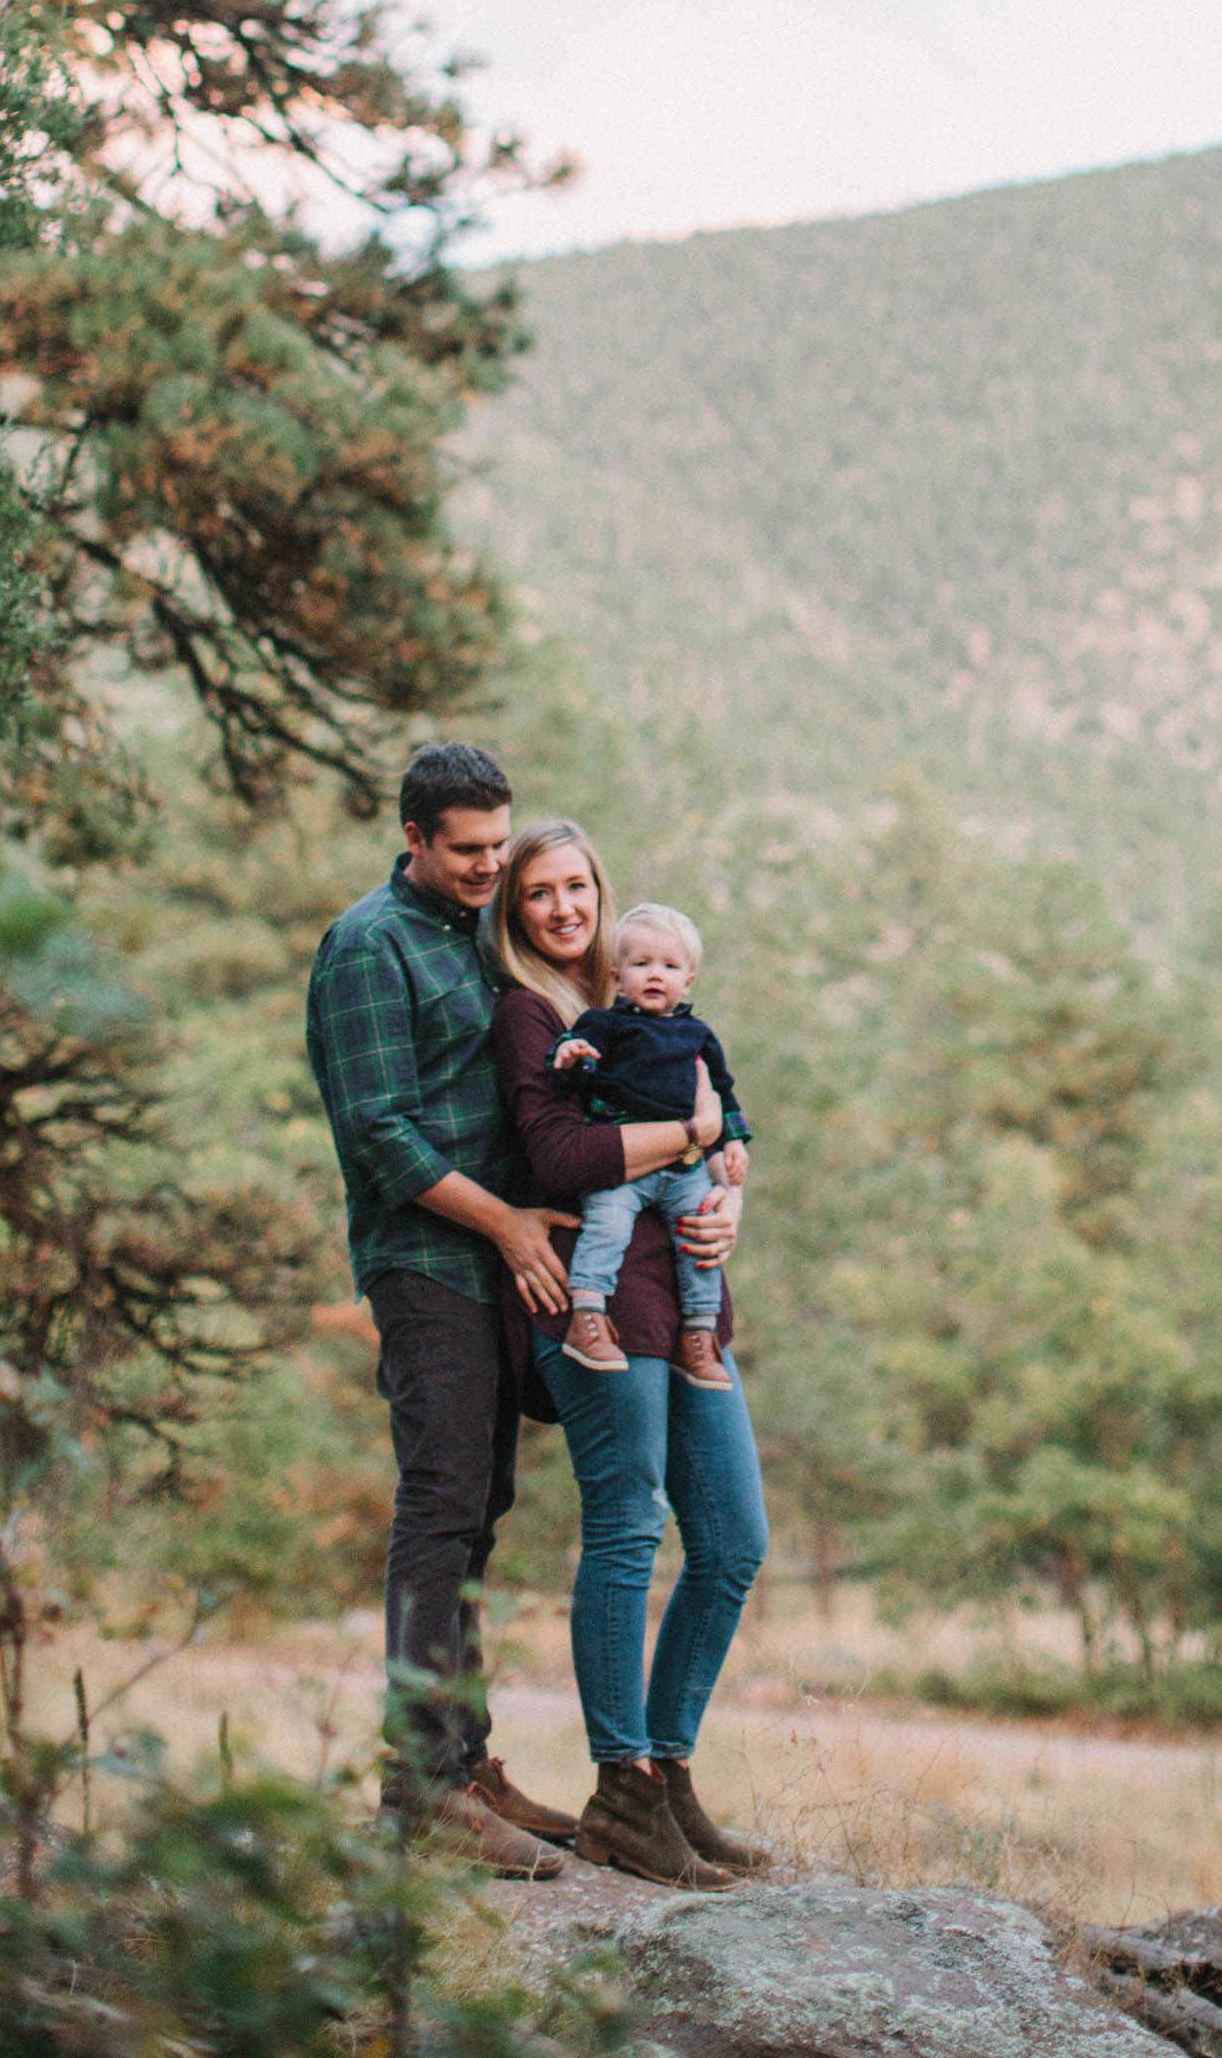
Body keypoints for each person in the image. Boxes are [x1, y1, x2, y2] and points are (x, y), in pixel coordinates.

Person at [304, 740, 581, 1873]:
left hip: (496, 1267)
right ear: (412, 838)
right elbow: (378, 1132)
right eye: (463, 850)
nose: (486, 867)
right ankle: (416, 1790)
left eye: (495, 847)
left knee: (482, 1508)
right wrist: (507, 1223)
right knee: (438, 1509)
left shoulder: (480, 932)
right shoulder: (366, 947)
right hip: (427, 1263)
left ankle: (464, 1763)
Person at [489, 821, 771, 1891]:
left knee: (732, 1542)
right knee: (624, 1530)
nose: (562, 908)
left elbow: (715, 1126)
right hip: (595, 1310)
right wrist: (694, 1136)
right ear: (512, 911)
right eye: (537, 893)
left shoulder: (656, 1011)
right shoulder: (533, 1014)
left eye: (577, 887)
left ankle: (670, 1771)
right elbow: (556, 1153)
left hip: (685, 1303)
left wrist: (724, 1188)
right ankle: (623, 1791)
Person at [551, 901, 754, 1389]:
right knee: (606, 1229)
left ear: (688, 981)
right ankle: (588, 1318)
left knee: (700, 1235)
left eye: (669, 966)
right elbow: (577, 1075)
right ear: (618, 977)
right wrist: (570, 1056)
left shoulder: (698, 1036)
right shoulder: (605, 1025)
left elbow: (721, 1095)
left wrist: (735, 1141)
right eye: (642, 964)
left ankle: (698, 1336)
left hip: (684, 1169)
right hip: (625, 1162)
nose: (655, 975)